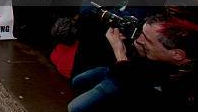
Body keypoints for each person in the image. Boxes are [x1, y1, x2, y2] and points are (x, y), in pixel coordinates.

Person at [68, 13, 198, 111]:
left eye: (147, 39)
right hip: (128, 76)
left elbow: (140, 97)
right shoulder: (167, 58)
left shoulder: (187, 85)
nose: (139, 40)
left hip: (132, 88)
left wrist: (120, 55)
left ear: (177, 54)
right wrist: (135, 52)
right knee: (78, 82)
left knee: (76, 107)